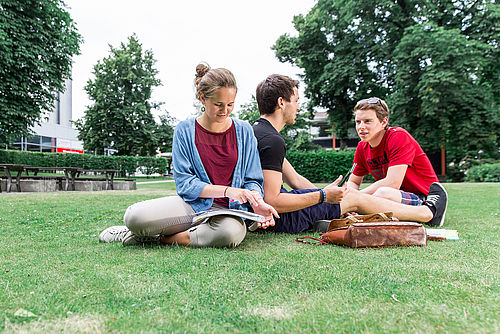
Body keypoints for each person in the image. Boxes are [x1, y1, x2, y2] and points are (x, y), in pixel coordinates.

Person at [99, 64, 278, 248]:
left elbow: (253, 179)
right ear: (202, 98)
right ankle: (139, 230)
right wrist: (227, 191)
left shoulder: (244, 131)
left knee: (230, 234)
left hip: (229, 212)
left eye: (230, 104)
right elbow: (185, 183)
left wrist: (257, 201)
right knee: (135, 217)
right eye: (218, 105)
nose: (225, 110)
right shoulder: (184, 130)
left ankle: (153, 238)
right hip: (193, 206)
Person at [252, 74, 447, 233]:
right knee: (355, 198)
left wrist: (330, 198)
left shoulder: (256, 133)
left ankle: (332, 216)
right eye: (296, 101)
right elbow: (272, 200)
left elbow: (295, 179)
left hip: (269, 215)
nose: (299, 106)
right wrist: (323, 196)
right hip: (279, 218)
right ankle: (427, 214)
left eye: (367, 121)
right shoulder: (272, 140)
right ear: (281, 103)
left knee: (352, 198)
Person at [347, 97, 441, 206]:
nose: (361, 127)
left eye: (367, 121)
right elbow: (353, 181)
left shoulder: (398, 136)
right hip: (394, 198)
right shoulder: (362, 147)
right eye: (358, 122)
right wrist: (348, 194)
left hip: (425, 198)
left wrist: (356, 198)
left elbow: (393, 183)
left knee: (383, 193)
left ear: (384, 122)